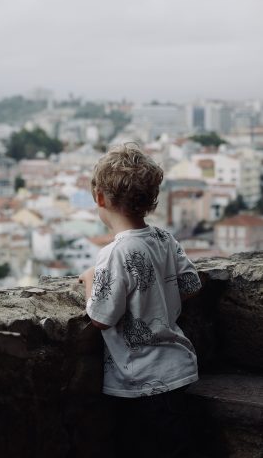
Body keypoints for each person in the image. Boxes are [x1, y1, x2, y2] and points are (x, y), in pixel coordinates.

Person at [79, 144, 202, 458]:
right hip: (177, 367)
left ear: (100, 199)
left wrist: (90, 280)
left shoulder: (116, 253)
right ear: (151, 200)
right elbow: (191, 284)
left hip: (141, 380)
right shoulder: (164, 238)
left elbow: (101, 317)